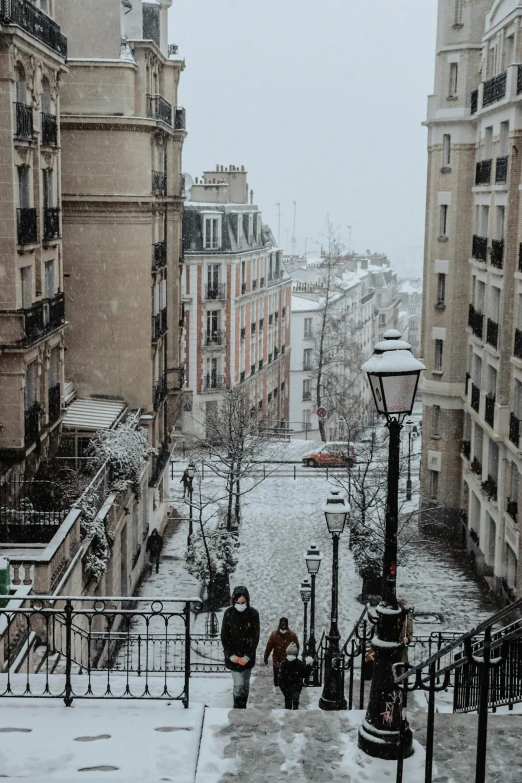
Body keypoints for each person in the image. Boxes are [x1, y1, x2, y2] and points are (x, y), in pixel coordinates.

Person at [220, 585, 260, 708]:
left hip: (247, 656)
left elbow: (255, 637)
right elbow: (224, 636)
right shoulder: (229, 613)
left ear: (247, 601)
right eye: (238, 602)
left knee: (246, 685)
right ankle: (237, 706)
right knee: (239, 684)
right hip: (233, 656)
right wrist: (232, 655)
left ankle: (243, 706)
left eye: (243, 602)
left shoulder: (253, 614)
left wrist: (247, 656)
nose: (240, 604)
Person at [263, 617, 300, 686]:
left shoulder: (292, 635)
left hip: (287, 661)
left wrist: (266, 657)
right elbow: (269, 647)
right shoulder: (275, 635)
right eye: (282, 625)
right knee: (280, 680)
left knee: (284, 680)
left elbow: (296, 647)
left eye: (284, 625)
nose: (283, 627)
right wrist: (266, 657)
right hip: (280, 661)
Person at [278, 643, 313, 710]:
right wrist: (309, 667)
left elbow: (280, 677)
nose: (291, 656)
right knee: (293, 700)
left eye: (292, 654)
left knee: (290, 701)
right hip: (294, 686)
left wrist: (282, 686)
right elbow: (305, 674)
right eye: (289, 654)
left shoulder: (284, 664)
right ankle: (293, 710)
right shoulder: (298, 663)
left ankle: (290, 711)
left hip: (290, 686)